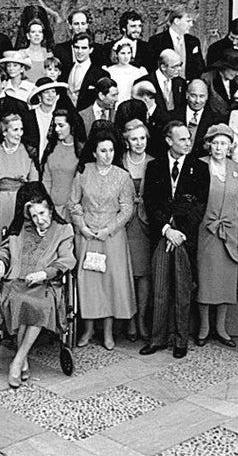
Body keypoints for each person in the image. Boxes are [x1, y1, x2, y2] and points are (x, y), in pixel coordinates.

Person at [0, 186, 77, 387]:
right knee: (19, 300)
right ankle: (22, 362)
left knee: (38, 305)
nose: (39, 219)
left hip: (45, 284)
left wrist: (44, 274)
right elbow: (5, 250)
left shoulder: (63, 230)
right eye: (34, 216)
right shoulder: (22, 228)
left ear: (50, 210)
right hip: (18, 281)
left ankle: (18, 361)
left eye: (42, 213)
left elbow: (67, 259)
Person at [140, 122, 207, 359]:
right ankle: (157, 339)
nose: (188, 143)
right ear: (169, 141)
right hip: (163, 234)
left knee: (182, 290)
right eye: (182, 139)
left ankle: (181, 341)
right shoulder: (155, 166)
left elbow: (199, 206)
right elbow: (150, 202)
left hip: (184, 237)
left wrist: (179, 233)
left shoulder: (200, 168)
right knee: (159, 288)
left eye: (189, 138)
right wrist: (167, 229)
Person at [69, 125, 135, 349]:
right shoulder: (83, 172)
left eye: (111, 150)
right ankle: (87, 330)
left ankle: (108, 332)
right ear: (94, 152)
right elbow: (73, 202)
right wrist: (82, 226)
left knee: (109, 282)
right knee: (89, 282)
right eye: (103, 151)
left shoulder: (122, 176)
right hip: (87, 235)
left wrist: (109, 229)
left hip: (112, 237)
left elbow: (127, 208)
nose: (108, 155)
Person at [0, 112, 39, 314]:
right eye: (14, 130)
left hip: (21, 206)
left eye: (21, 129)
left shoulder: (28, 152)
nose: (19, 134)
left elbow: (34, 184)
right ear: (4, 132)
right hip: (0, 205)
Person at [195, 124, 238, 347]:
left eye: (224, 143)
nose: (219, 148)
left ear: (230, 147)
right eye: (215, 143)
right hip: (206, 233)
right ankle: (203, 327)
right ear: (209, 145)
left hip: (230, 235)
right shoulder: (199, 165)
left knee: (226, 282)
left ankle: (221, 328)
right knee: (205, 281)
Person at [119, 118, 153, 342]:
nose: (139, 143)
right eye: (134, 139)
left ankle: (141, 319)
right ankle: (130, 319)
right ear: (127, 141)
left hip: (146, 224)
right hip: (125, 224)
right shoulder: (120, 161)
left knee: (144, 274)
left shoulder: (154, 162)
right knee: (127, 272)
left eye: (142, 138)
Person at [42, 107, 84, 211]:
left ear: (72, 126)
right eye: (55, 125)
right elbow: (46, 179)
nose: (57, 129)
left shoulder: (82, 150)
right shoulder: (52, 147)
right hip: (51, 207)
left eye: (61, 125)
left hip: (73, 208)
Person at [148, 5, 205, 81]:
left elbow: (200, 67)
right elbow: (152, 67)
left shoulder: (194, 41)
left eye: (192, 21)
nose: (191, 25)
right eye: (188, 21)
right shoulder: (156, 41)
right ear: (177, 21)